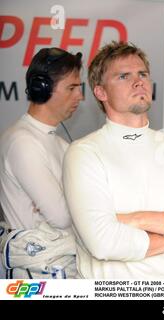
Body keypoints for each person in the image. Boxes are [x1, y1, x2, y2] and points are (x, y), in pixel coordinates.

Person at [62, 41, 164, 279]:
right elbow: (104, 243)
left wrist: (136, 219)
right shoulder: (84, 152)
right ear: (101, 92)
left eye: (142, 74)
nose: (138, 81)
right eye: (123, 76)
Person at [0, 47, 83, 278]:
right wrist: (73, 199)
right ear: (42, 89)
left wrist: (66, 199)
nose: (80, 96)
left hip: (63, 268)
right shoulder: (21, 141)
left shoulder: (62, 144)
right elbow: (62, 216)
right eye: (72, 87)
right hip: (34, 276)